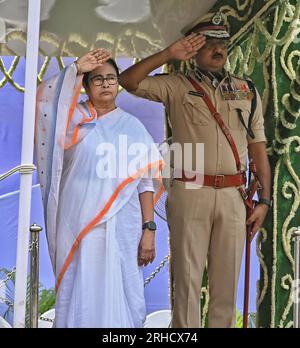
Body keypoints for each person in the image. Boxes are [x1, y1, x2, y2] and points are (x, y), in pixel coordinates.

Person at [119, 12, 271, 328]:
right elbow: (128, 81)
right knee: (186, 282)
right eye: (209, 43)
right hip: (191, 190)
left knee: (226, 285)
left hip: (233, 195)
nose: (218, 50)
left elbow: (258, 146)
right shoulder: (177, 85)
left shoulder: (247, 90)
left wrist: (265, 201)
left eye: (223, 44)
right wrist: (167, 55)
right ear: (194, 51)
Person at [35, 49, 163, 328]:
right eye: (98, 79)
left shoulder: (133, 127)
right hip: (79, 222)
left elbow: (145, 182)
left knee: (123, 289)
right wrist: (75, 69)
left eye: (111, 78)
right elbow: (45, 102)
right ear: (85, 86)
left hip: (123, 225)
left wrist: (149, 229)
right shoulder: (71, 121)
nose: (106, 84)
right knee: (82, 286)